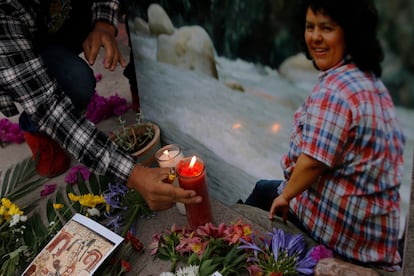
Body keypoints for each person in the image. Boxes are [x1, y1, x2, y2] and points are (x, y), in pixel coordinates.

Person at [245, 0, 405, 270]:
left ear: (349, 33)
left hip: (346, 235)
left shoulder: (337, 90)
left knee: (264, 192)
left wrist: (286, 197)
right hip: (372, 232)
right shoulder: (367, 80)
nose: (315, 37)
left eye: (326, 28)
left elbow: (314, 161)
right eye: (310, 27)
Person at [0, 0, 201, 211]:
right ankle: (36, 129)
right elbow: (49, 107)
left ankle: (140, 81)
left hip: (70, 16)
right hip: (29, 46)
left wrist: (104, 21)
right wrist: (134, 174)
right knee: (76, 82)